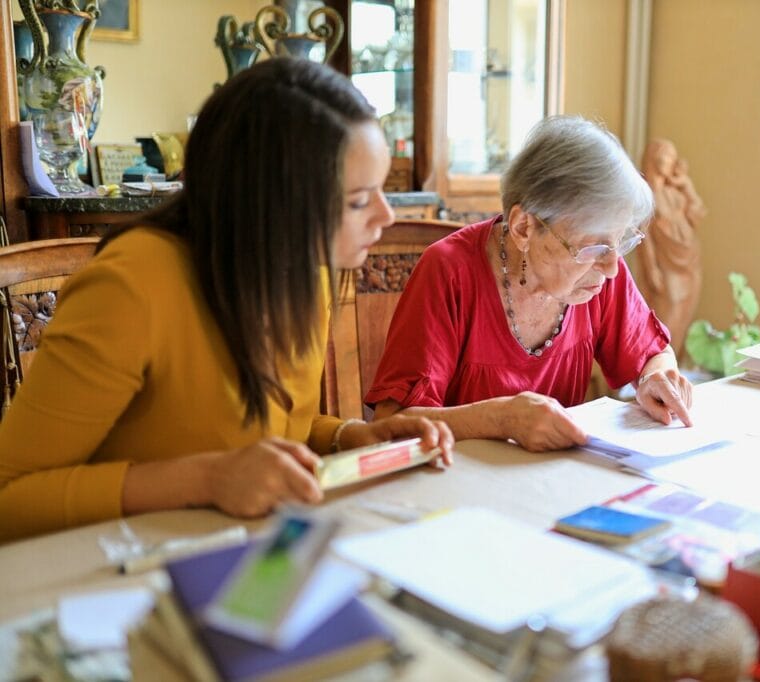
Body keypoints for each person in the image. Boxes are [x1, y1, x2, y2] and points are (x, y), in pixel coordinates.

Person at [0, 59, 453, 544]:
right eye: (360, 200)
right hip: (111, 574)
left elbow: (268, 432)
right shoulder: (132, 288)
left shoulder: (306, 268)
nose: (384, 217)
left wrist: (347, 438)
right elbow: (9, 497)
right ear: (273, 202)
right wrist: (206, 479)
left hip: (237, 557)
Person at [366, 116, 693, 452]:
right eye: (591, 247)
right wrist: (501, 419)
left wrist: (655, 375)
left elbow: (653, 353)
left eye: (621, 241)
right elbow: (394, 425)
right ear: (523, 227)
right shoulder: (450, 271)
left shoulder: (598, 268)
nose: (611, 268)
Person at [635, 139, 707, 360]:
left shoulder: (674, 194)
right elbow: (643, 236)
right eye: (667, 157)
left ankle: (671, 367)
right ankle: (656, 365)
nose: (671, 162)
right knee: (667, 318)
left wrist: (687, 186)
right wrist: (652, 268)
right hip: (666, 266)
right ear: (655, 160)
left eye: (673, 158)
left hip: (689, 263)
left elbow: (699, 213)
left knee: (683, 318)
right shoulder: (646, 196)